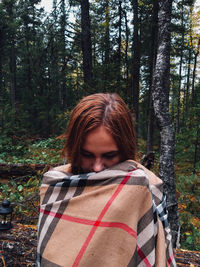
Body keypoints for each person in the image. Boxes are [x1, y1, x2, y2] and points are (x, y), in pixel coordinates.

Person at [37, 93, 176, 267]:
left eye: (109, 155)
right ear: (74, 148)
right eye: (87, 154)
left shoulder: (143, 188)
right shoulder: (55, 185)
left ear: (125, 148)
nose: (97, 167)